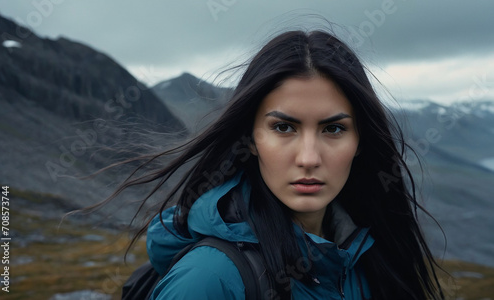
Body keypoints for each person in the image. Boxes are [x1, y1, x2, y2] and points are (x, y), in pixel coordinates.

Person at [110, 29, 446, 299]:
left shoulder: (368, 259)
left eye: (334, 129)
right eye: (284, 127)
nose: (309, 158)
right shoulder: (209, 281)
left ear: (360, 141)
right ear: (251, 139)